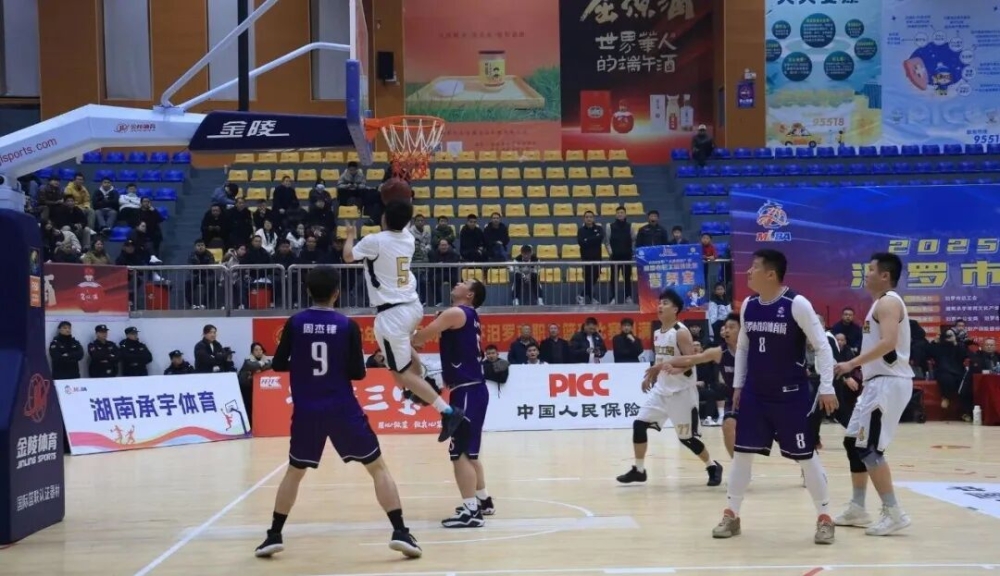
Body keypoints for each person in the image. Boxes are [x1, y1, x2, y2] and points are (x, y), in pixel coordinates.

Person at [255, 267, 422, 560]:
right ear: (337, 293)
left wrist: (303, 365)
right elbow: (358, 372)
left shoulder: (295, 322)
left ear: (308, 291)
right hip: (342, 407)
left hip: (307, 409)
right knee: (377, 467)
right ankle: (400, 531)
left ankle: (274, 535)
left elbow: (279, 364)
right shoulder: (347, 326)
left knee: (295, 471)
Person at [711, 249, 839, 545]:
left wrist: (828, 387)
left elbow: (822, 346)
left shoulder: (797, 304)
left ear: (770, 274)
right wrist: (738, 386)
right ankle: (731, 514)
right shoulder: (749, 305)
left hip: (791, 395)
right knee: (742, 453)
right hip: (756, 393)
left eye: (754, 267)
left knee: (806, 457)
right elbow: (744, 347)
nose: (748, 272)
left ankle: (824, 517)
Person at [342, 200, 465, 442]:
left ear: (385, 218)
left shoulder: (374, 240)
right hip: (412, 305)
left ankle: (448, 412)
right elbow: (401, 217)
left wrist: (349, 236)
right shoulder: (408, 237)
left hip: (392, 313)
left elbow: (348, 256)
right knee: (401, 358)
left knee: (400, 374)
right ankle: (423, 381)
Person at [832, 253, 913, 536]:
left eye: (870, 270)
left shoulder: (888, 302)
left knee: (870, 449)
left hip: (888, 383)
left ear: (885, 275)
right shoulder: (879, 304)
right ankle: (858, 507)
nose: (866, 274)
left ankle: (894, 512)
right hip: (876, 383)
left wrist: (851, 363)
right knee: (852, 442)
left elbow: (889, 342)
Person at [617, 289, 723, 487]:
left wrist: (677, 368)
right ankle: (639, 470)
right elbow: (661, 360)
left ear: (675, 309)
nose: (660, 306)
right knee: (639, 424)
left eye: (665, 303)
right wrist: (651, 376)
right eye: (659, 303)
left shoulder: (680, 332)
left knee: (687, 438)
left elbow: (692, 360)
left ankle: (712, 466)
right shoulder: (658, 333)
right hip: (661, 391)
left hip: (681, 393)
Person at [412, 279, 495, 528]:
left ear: (469, 295)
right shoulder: (468, 315)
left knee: (459, 453)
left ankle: (471, 512)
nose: (458, 282)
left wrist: (402, 334)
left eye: (465, 282)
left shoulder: (456, 313)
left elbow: (421, 337)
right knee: (470, 452)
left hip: (467, 390)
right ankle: (483, 500)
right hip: (473, 389)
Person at [655, 312, 741, 457]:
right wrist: (663, 364)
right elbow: (691, 359)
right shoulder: (719, 352)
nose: (726, 330)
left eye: (731, 327)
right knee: (728, 425)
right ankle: (737, 464)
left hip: (758, 397)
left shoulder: (754, 350)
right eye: (725, 327)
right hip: (735, 399)